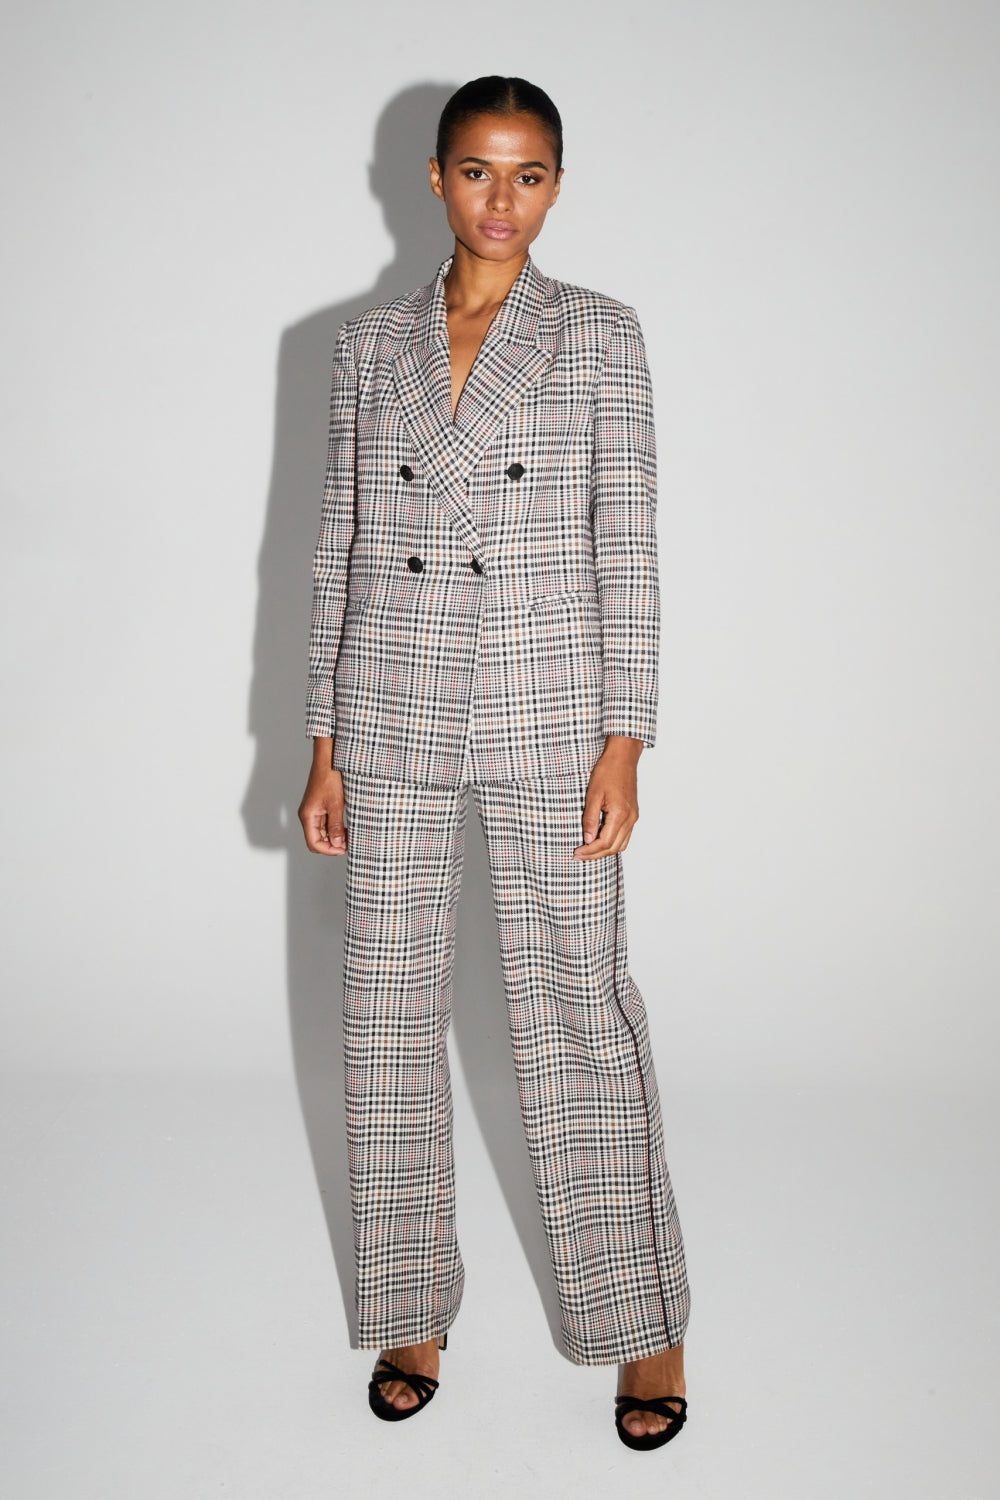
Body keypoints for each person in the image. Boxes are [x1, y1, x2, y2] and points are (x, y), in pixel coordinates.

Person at [297, 76, 690, 1451]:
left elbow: (628, 546)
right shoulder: (366, 346)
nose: (501, 200)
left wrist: (625, 738)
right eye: (477, 171)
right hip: (392, 712)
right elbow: (340, 549)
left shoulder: (599, 334)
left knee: (578, 1013)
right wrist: (325, 741)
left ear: (558, 185)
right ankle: (410, 1305)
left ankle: (641, 1322)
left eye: (528, 175)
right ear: (433, 178)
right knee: (388, 1020)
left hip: (547, 714)